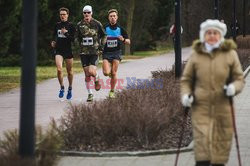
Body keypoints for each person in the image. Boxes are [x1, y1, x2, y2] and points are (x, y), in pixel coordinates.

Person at [180, 19, 245, 166]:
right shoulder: (196, 55)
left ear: (221, 35)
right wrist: (185, 95)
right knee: (202, 140)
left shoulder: (230, 54)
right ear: (204, 35)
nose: (212, 36)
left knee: (221, 142)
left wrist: (233, 88)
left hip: (223, 106)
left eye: (215, 33)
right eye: (208, 33)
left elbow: (239, 79)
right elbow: (186, 79)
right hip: (200, 105)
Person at [76, 5, 107, 102]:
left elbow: (104, 35)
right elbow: (76, 37)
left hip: (94, 51)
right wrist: (78, 44)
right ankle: (90, 94)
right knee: (87, 75)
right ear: (83, 14)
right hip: (84, 52)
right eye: (84, 12)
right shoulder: (79, 24)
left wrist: (102, 45)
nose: (86, 14)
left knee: (91, 72)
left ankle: (97, 78)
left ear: (91, 13)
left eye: (88, 12)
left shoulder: (97, 23)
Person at [102, 9, 130, 98]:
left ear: (117, 17)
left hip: (116, 53)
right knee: (106, 73)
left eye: (114, 16)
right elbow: (98, 39)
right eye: (111, 16)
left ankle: (112, 91)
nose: (113, 18)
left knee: (113, 73)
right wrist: (103, 40)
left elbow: (129, 41)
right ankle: (110, 75)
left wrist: (123, 39)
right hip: (106, 53)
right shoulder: (104, 28)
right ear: (108, 18)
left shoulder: (120, 29)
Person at [51, 7, 75, 100]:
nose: (62, 16)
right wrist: (53, 41)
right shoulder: (57, 25)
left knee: (69, 72)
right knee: (59, 69)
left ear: (67, 15)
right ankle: (62, 87)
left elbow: (73, 39)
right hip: (59, 51)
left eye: (64, 14)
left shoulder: (71, 26)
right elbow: (54, 35)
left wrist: (66, 33)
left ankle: (70, 88)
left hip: (68, 51)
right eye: (61, 14)